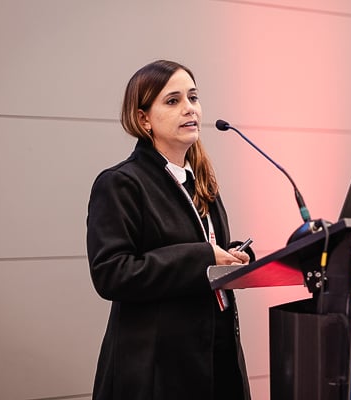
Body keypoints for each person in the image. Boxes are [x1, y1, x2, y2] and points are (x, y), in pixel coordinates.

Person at [86, 60, 252, 400]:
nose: (189, 109)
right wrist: (205, 258)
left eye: (193, 97)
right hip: (157, 369)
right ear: (143, 118)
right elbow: (112, 273)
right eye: (173, 101)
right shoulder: (121, 183)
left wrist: (231, 255)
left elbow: (197, 246)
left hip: (216, 356)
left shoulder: (202, 182)